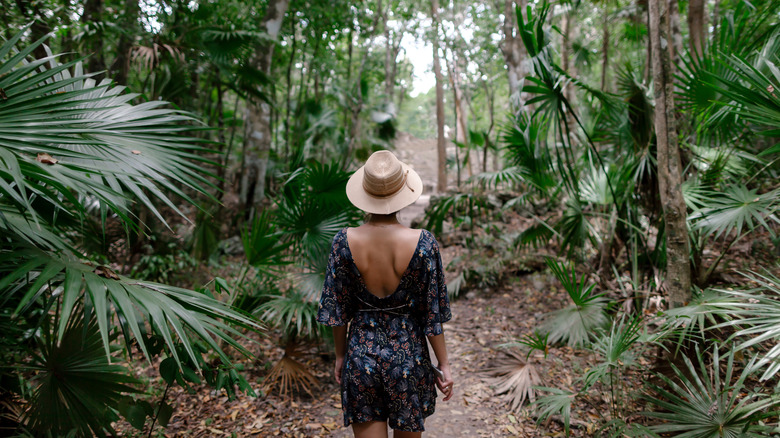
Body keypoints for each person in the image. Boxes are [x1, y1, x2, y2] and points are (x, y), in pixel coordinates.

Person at [317, 150, 454, 438]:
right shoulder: (424, 243)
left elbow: (338, 312)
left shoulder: (342, 242)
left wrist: (340, 356)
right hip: (408, 358)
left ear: (365, 192)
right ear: (403, 193)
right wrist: (444, 364)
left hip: (361, 356)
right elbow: (432, 316)